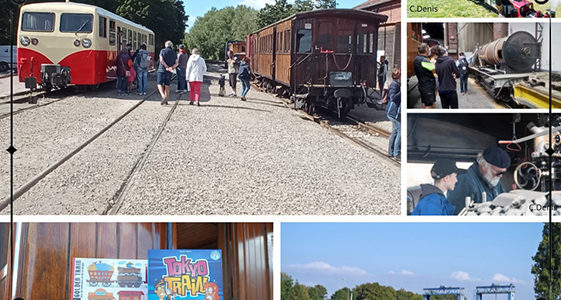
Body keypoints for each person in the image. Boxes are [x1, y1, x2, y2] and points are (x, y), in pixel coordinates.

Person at [447, 146, 511, 214]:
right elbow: (458, 215)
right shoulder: (465, 181)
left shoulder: (493, 179)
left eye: (503, 173)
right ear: (483, 164)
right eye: (497, 172)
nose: (500, 176)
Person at [413, 43, 437, 109]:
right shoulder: (424, 60)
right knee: (429, 106)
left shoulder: (416, 58)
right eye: (428, 49)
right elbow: (434, 69)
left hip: (422, 85)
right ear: (426, 49)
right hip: (428, 86)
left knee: (424, 103)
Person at [157, 40, 178, 105]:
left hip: (161, 70)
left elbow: (161, 60)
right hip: (169, 71)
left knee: (159, 83)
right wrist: (171, 68)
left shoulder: (162, 51)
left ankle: (163, 96)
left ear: (166, 45)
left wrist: (166, 66)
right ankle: (166, 99)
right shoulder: (174, 52)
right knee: (167, 85)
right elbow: (177, 63)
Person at [386, 68, 401, 158]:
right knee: (400, 131)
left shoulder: (398, 84)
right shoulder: (394, 85)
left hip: (395, 112)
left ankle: (391, 152)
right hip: (393, 112)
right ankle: (396, 153)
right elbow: (393, 98)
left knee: (395, 131)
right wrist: (401, 92)